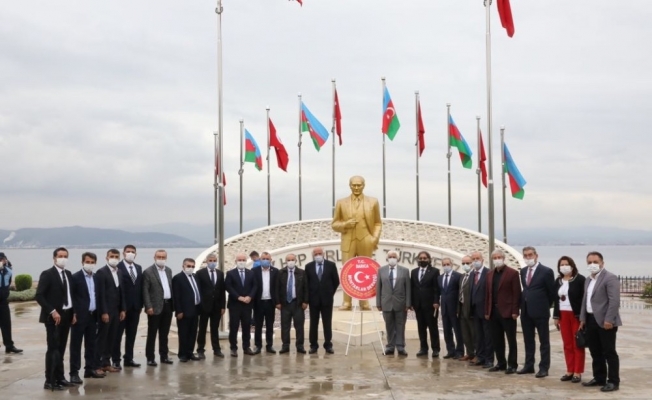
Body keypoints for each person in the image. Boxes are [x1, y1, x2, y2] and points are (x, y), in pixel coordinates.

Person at [331, 175, 382, 311]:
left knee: (365, 270)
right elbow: (334, 224)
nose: (356, 187)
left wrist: (374, 238)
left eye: (359, 185)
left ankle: (364, 302)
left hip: (365, 239)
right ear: (350, 185)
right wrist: (345, 224)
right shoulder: (341, 202)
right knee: (347, 271)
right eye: (354, 185)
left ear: (363, 185)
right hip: (348, 240)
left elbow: (377, 223)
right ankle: (346, 302)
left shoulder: (373, 202)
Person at [579, 251, 621, 392]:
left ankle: (613, 381)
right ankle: (599, 378)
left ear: (602, 263)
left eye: (595, 262)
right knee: (595, 351)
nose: (592, 264)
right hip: (590, 320)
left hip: (605, 321)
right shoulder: (588, 280)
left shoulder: (610, 278)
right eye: (589, 262)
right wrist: (583, 318)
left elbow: (614, 301)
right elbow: (585, 300)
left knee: (609, 352)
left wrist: (609, 319)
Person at [35, 247, 76, 390]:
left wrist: (74, 313)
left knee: (61, 348)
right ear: (54, 258)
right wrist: (52, 311)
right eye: (60, 256)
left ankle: (60, 378)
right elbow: (39, 295)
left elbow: (71, 295)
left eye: (65, 256)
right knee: (53, 349)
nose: (63, 258)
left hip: (67, 315)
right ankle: (50, 381)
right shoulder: (47, 274)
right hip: (53, 317)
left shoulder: (68, 274)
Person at [518, 246, 556, 378]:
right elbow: (526, 288)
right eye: (526, 255)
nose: (528, 257)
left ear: (536, 255)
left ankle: (544, 367)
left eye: (530, 255)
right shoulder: (523, 271)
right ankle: (529, 365)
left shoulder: (546, 271)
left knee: (544, 341)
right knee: (528, 340)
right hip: (526, 311)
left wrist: (544, 305)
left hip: (540, 311)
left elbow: (551, 292)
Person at [69, 252, 104, 384]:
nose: (90, 264)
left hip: (92, 316)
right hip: (79, 317)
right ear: (82, 262)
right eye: (87, 262)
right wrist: (73, 313)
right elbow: (71, 297)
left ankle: (89, 369)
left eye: (92, 262)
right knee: (76, 345)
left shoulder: (97, 278)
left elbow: (98, 296)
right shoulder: (75, 277)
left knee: (91, 344)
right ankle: (74, 373)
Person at [485, 249, 521, 374]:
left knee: (511, 340)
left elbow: (516, 293)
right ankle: (501, 363)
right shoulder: (490, 274)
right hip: (493, 311)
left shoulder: (512, 273)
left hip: (508, 311)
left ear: (503, 258)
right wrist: (487, 311)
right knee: (496, 339)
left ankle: (512, 364)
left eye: (499, 257)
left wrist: (515, 311)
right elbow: (488, 294)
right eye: (495, 258)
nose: (497, 259)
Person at [552, 256, 586, 383]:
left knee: (577, 343)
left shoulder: (580, 279)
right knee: (567, 344)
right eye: (561, 265)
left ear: (572, 265)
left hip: (575, 315)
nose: (564, 266)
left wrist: (583, 318)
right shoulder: (558, 281)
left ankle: (577, 371)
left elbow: (584, 300)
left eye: (566, 264)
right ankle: (570, 370)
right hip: (563, 315)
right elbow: (556, 300)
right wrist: (556, 316)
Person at [95, 249, 126, 373]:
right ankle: (97, 364)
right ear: (107, 258)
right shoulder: (101, 272)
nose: (114, 258)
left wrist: (123, 309)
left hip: (116, 310)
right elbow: (100, 294)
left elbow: (121, 291)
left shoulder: (119, 272)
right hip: (106, 311)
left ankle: (106, 363)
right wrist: (104, 311)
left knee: (112, 337)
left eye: (116, 256)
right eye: (112, 256)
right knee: (102, 338)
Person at [112, 244, 143, 369]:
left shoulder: (138, 267)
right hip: (122, 308)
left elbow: (139, 287)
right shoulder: (118, 267)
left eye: (133, 251)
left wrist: (141, 305)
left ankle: (129, 358)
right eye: (128, 251)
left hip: (135, 307)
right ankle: (116, 360)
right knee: (117, 335)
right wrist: (121, 307)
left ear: (136, 254)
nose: (130, 253)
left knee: (131, 334)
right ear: (123, 253)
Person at [305, 247, 340, 354]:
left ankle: (328, 345)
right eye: (316, 254)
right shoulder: (308, 266)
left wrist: (330, 293)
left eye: (319, 253)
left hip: (327, 300)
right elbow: (306, 283)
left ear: (323, 254)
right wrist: (307, 298)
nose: (318, 255)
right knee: (313, 323)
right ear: (313, 255)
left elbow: (336, 281)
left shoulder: (331, 265)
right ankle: (313, 345)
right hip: (313, 300)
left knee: (327, 323)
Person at [142, 249, 174, 366]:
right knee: (152, 334)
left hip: (168, 305)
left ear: (166, 258)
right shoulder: (148, 272)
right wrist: (148, 306)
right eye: (159, 257)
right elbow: (145, 291)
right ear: (154, 257)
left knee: (164, 334)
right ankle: (150, 357)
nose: (161, 259)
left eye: (163, 257)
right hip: (154, 307)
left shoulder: (169, 270)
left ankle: (164, 356)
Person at [376, 250, 411, 356]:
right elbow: (378, 287)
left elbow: (408, 288)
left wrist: (408, 303)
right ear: (387, 258)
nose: (392, 258)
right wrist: (378, 303)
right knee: (389, 325)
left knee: (400, 325)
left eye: (394, 257)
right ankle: (390, 347)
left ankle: (400, 347)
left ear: (398, 258)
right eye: (390, 257)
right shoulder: (381, 270)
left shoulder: (404, 271)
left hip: (401, 303)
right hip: (386, 303)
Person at [224, 253, 257, 357]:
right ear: (236, 261)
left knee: (246, 326)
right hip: (235, 304)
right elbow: (228, 287)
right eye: (239, 260)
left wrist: (250, 296)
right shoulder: (230, 273)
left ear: (246, 261)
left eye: (243, 260)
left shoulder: (251, 273)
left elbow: (255, 286)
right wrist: (238, 297)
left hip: (247, 304)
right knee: (234, 327)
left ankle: (246, 347)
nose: (241, 262)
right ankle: (233, 348)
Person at [276, 253, 309, 354]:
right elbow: (276, 288)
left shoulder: (302, 273)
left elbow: (306, 288)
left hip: (298, 304)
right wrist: (277, 302)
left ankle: (300, 346)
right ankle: (285, 346)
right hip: (285, 304)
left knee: (299, 326)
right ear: (286, 261)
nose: (290, 262)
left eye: (292, 260)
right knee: (285, 326)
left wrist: (305, 301)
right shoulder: (281, 273)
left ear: (296, 261)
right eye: (288, 260)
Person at [410, 250, 441, 358]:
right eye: (421, 258)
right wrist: (411, 303)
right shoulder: (414, 272)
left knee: (433, 328)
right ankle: (423, 348)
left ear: (429, 259)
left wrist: (436, 301)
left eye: (425, 258)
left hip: (431, 305)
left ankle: (435, 349)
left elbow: (436, 288)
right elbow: (412, 288)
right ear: (418, 259)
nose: (422, 260)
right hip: (418, 305)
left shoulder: (434, 271)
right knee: (421, 328)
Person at [195, 253, 226, 358]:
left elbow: (222, 291)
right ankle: (200, 349)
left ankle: (216, 349)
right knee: (202, 328)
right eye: (211, 261)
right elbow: (198, 290)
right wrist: (199, 305)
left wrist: (223, 306)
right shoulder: (200, 273)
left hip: (217, 306)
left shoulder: (220, 273)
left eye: (214, 261)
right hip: (204, 306)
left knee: (215, 329)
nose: (213, 263)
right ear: (207, 261)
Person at [172, 258, 202, 362]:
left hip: (195, 309)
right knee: (183, 333)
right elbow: (176, 296)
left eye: (193, 266)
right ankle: (183, 354)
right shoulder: (178, 278)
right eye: (188, 266)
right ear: (183, 266)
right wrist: (178, 311)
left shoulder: (195, 277)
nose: (191, 268)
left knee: (193, 333)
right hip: (184, 311)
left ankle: (190, 352)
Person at [469, 251, 493, 368]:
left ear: (482, 259)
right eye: (473, 259)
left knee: (488, 336)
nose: (475, 261)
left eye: (477, 258)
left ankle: (489, 359)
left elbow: (491, 293)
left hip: (485, 310)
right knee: (478, 335)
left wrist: (489, 310)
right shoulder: (472, 274)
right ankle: (480, 356)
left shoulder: (488, 273)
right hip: (474, 310)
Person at [437, 257, 464, 359]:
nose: (446, 266)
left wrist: (458, 308)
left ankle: (460, 351)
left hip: (455, 308)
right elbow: (439, 292)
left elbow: (460, 293)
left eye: (448, 264)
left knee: (458, 331)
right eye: (444, 265)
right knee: (447, 331)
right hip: (444, 308)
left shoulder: (458, 276)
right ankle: (450, 350)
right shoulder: (440, 278)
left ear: (451, 265)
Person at [252, 251, 279, 354]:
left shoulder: (275, 271)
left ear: (271, 260)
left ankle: (269, 345)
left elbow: (277, 287)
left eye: (267, 259)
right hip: (258, 302)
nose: (265, 260)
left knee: (269, 325)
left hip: (270, 302)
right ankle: (258, 345)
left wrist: (277, 302)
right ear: (260, 259)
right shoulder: (254, 271)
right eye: (263, 259)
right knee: (258, 325)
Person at [0, 252, 22, 354]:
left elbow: (8, 282)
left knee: (6, 324)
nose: (1, 261)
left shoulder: (8, 270)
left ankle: (9, 346)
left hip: (3, 301)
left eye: (2, 259)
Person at [457, 255, 475, 362]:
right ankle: (469, 353)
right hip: (462, 307)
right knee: (465, 332)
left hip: (471, 308)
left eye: (467, 263)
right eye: (463, 263)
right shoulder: (462, 276)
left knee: (473, 332)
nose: (465, 265)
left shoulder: (474, 276)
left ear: (472, 263)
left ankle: (477, 354)